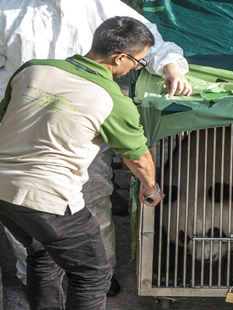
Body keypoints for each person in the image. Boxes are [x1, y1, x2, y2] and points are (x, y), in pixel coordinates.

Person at [0, 0, 192, 296]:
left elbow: (147, 41)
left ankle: (66, 276)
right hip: (33, 125)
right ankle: (93, 279)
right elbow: (138, 156)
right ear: (119, 60)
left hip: (32, 131)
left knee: (54, 227)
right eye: (135, 63)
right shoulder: (8, 11)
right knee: (85, 267)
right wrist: (151, 189)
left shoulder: (101, 7)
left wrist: (170, 66)